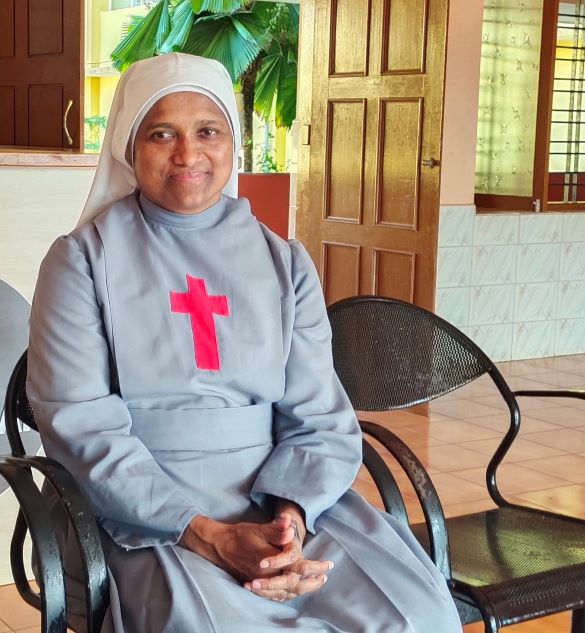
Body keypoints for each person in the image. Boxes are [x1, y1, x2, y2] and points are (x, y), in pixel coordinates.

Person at [27, 52, 463, 633]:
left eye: (208, 131)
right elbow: (81, 425)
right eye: (162, 134)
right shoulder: (81, 261)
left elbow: (320, 417)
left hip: (285, 497)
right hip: (145, 513)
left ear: (233, 142)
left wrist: (289, 522)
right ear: (129, 148)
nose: (188, 154)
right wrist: (206, 532)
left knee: (417, 614)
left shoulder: (285, 262)